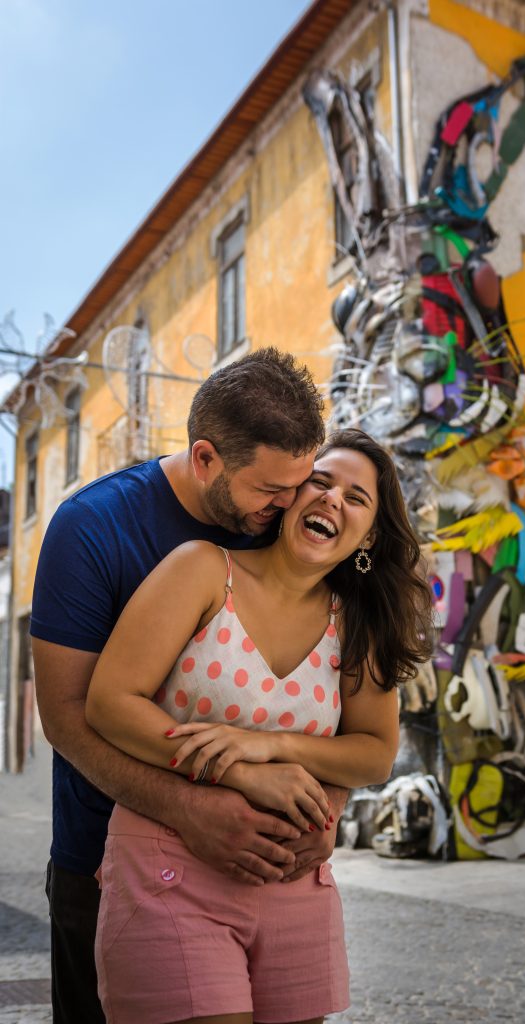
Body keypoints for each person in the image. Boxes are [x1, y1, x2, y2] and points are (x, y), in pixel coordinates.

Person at [85, 428, 434, 1024]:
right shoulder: (201, 570)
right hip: (171, 869)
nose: (331, 500)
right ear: (290, 498)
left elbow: (375, 754)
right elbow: (111, 703)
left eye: (356, 498)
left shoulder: (358, 624)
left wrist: (268, 745)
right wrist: (246, 774)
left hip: (295, 879)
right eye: (320, 483)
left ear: (369, 537)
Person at [31, 347, 337, 1024]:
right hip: (104, 870)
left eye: (300, 483)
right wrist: (189, 810)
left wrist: (327, 812)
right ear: (206, 459)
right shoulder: (92, 529)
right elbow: (65, 718)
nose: (290, 506)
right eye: (269, 490)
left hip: (266, 877)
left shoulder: (284, 527)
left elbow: (331, 690)